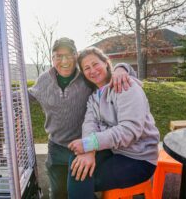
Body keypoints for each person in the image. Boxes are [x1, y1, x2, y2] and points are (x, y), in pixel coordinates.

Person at [28, 38, 136, 199]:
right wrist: (3, 95)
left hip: (85, 147)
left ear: (75, 56)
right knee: (58, 193)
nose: (63, 61)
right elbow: (29, 95)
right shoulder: (44, 79)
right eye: (58, 56)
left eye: (68, 55)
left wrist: (123, 68)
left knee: (82, 190)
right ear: (52, 58)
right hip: (56, 148)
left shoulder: (86, 76)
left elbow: (108, 77)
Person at [67, 47, 160, 199]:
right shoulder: (93, 98)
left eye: (95, 64)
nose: (93, 70)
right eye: (87, 68)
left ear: (106, 63)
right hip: (115, 152)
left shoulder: (125, 86)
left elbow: (129, 131)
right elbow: (89, 124)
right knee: (77, 164)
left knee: (81, 177)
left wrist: (90, 144)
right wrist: (88, 150)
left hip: (139, 159)